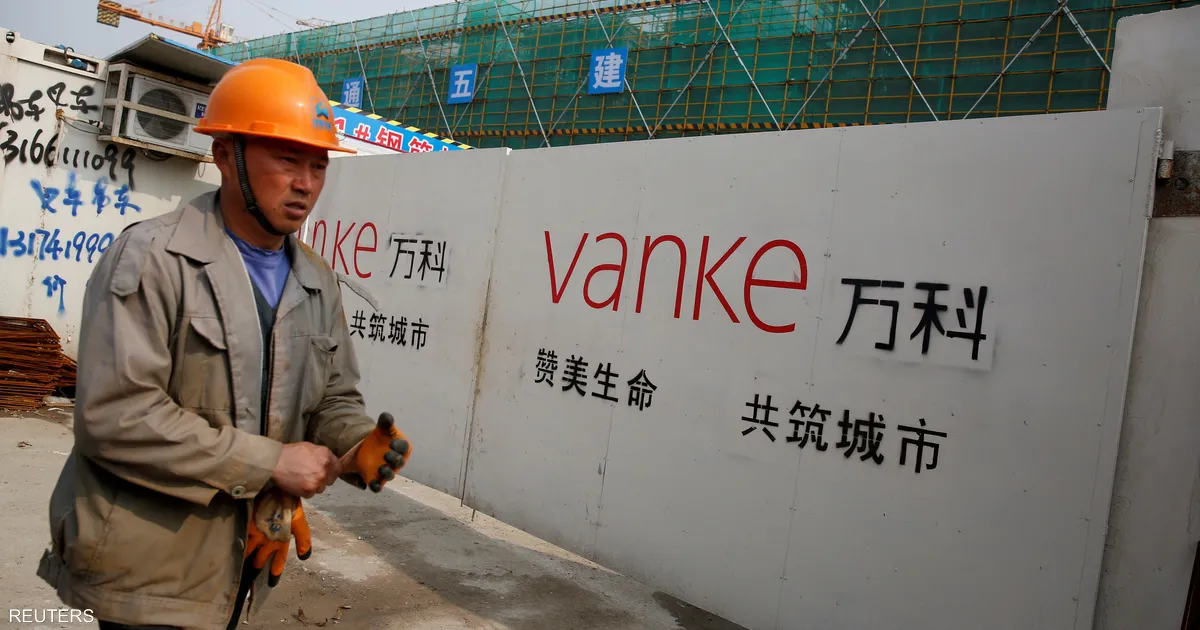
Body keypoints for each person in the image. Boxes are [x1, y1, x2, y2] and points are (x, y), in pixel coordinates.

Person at [35, 58, 413, 630]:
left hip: (242, 563)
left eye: (318, 164)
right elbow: (116, 416)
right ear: (224, 155)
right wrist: (272, 463)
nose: (306, 183)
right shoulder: (154, 258)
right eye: (287, 159)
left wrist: (356, 442)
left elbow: (331, 398)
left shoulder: (316, 280)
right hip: (145, 570)